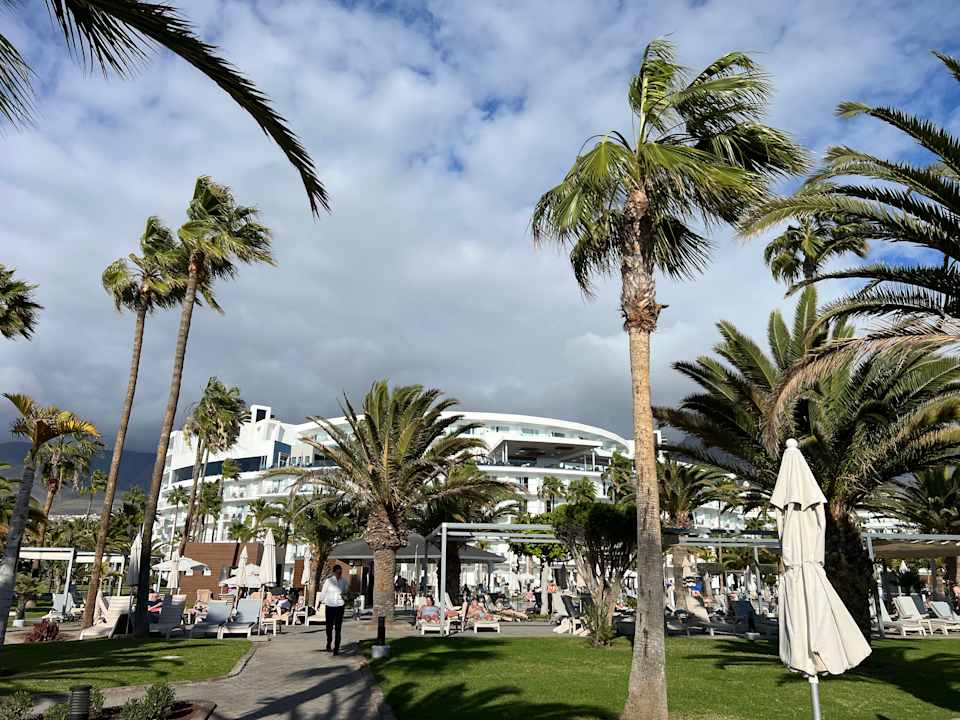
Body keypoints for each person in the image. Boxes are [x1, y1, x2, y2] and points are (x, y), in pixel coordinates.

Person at [319, 565, 349, 655]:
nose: (339, 574)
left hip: (340, 606)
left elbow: (346, 592)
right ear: (334, 572)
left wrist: (345, 596)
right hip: (330, 606)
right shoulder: (329, 581)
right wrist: (319, 602)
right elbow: (323, 592)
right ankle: (329, 642)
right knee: (329, 627)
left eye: (341, 572)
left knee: (338, 628)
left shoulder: (344, 581)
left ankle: (336, 647)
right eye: (338, 572)